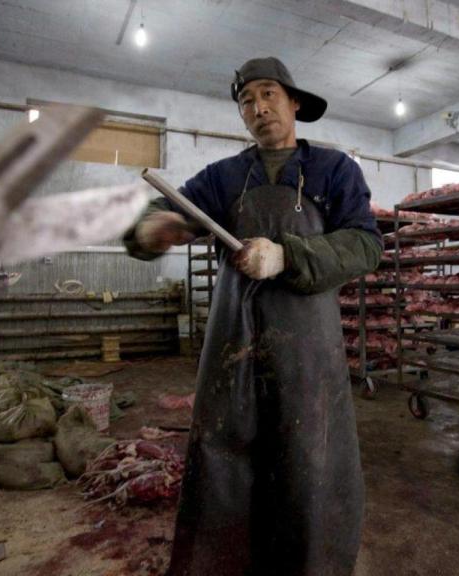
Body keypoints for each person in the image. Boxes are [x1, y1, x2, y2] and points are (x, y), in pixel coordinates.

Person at [123, 57, 382, 576]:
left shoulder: (334, 171)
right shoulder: (224, 178)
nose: (258, 108)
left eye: (268, 95)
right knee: (225, 453)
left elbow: (365, 243)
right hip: (233, 339)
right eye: (247, 101)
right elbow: (161, 216)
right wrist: (152, 230)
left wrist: (289, 256)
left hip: (308, 343)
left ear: (295, 102)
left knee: (309, 457)